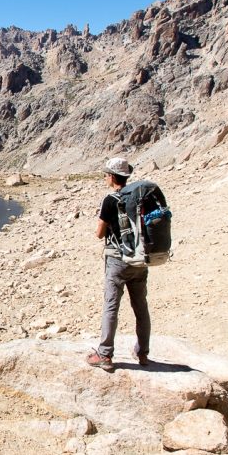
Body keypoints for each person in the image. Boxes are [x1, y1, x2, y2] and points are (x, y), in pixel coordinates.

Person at [87, 157, 150, 372]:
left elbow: (99, 233)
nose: (105, 178)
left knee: (111, 306)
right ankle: (142, 352)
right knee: (140, 306)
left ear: (112, 177)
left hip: (118, 261)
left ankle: (104, 354)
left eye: (106, 175)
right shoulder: (140, 196)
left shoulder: (110, 199)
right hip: (140, 260)